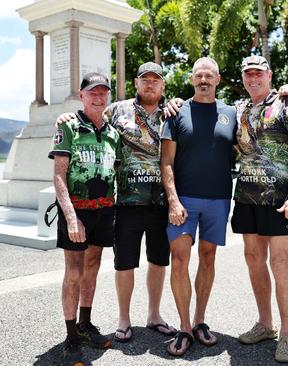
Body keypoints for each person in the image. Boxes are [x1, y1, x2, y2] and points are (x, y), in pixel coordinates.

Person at [55, 62, 179, 343]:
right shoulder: (117, 110)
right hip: (125, 202)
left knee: (158, 261)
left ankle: (154, 315)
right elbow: (89, 117)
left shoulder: (172, 113)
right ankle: (123, 319)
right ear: (136, 83)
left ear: (162, 85)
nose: (150, 84)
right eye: (145, 79)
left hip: (160, 201)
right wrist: (65, 116)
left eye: (155, 80)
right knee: (124, 263)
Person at [231, 55, 288, 363]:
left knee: (280, 263)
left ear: (270, 75)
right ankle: (265, 324)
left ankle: (287, 334)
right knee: (253, 259)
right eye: (247, 74)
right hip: (247, 198)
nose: (253, 78)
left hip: (281, 201)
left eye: (258, 73)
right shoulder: (238, 110)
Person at [160, 57, 237, 357]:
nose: (204, 80)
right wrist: (173, 200)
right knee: (179, 259)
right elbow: (166, 161)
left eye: (209, 76)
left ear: (218, 79)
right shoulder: (177, 113)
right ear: (192, 79)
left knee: (208, 256)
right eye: (198, 76)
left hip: (219, 199)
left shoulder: (231, 113)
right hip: (185, 200)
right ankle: (183, 327)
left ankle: (200, 320)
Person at [48, 72, 119, 365]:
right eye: (93, 92)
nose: (98, 97)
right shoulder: (69, 127)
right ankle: (70, 337)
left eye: (103, 92)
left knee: (93, 267)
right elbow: (59, 176)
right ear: (82, 95)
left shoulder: (113, 132)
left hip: (104, 210)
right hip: (76, 212)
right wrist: (71, 217)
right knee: (74, 273)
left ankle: (86, 325)